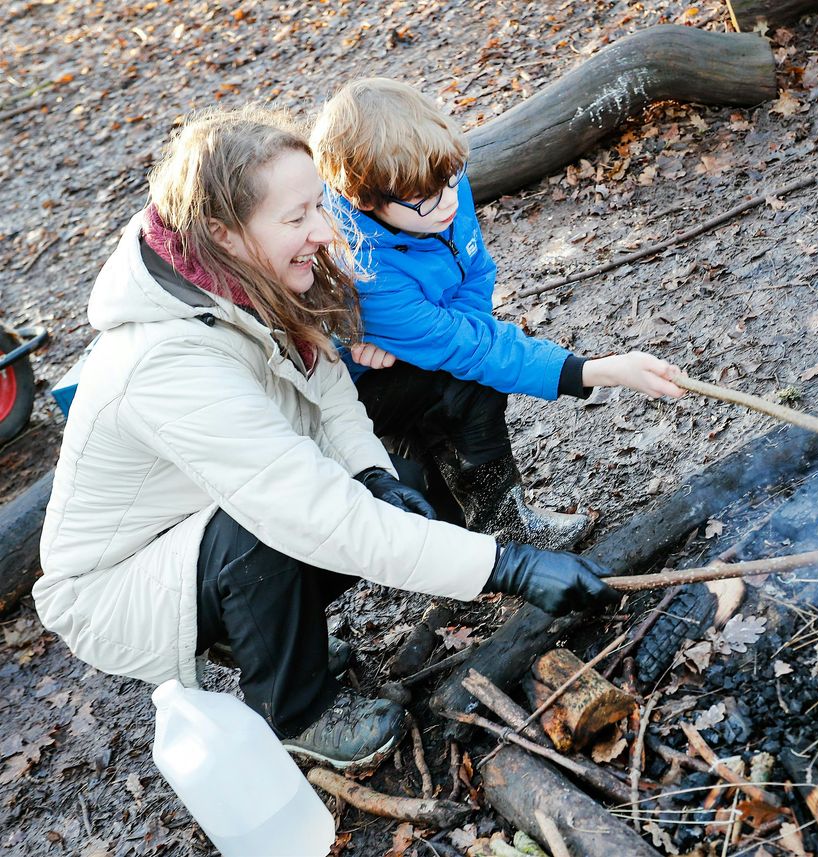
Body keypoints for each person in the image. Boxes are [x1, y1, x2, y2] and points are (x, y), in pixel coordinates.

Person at [33, 105, 618, 772]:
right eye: (297, 217)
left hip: (203, 513)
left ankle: (261, 629)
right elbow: (304, 510)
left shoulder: (244, 277)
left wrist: (374, 475)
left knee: (400, 481)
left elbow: (329, 384)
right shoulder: (166, 362)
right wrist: (504, 567)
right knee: (262, 529)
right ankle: (297, 710)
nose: (323, 229)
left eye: (319, 204)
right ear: (224, 233)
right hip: (120, 585)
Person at [309, 78, 685, 552]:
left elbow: (475, 270)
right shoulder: (367, 271)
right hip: (354, 391)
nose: (449, 200)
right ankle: (481, 539)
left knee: (464, 373)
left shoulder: (436, 184)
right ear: (367, 201)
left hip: (414, 341)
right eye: (426, 197)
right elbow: (471, 348)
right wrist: (597, 371)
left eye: (452, 179)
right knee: (466, 384)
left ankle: (495, 524)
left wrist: (461, 325)